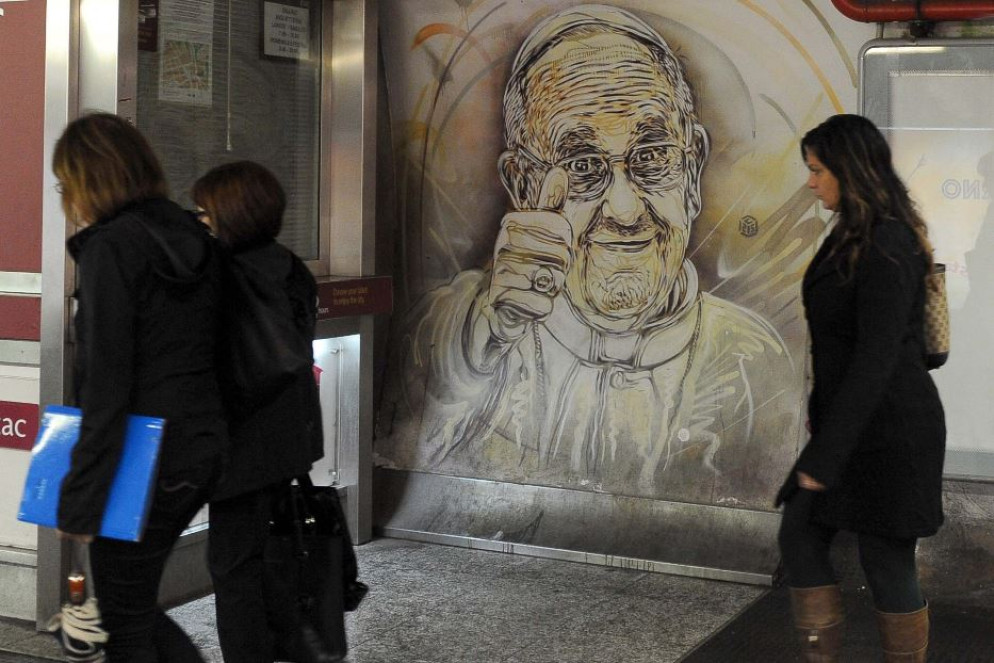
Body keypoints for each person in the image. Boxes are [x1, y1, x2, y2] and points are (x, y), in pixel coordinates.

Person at [380, 5, 794, 507]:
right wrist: (490, 326)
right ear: (523, 185)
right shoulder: (474, 330)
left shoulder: (752, 360)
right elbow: (428, 383)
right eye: (581, 165)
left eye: (652, 156)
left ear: (692, 170)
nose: (625, 209)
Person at [54, 112, 227, 662]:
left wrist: (81, 499)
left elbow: (106, 385)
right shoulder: (192, 235)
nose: (66, 199)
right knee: (131, 606)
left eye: (65, 185)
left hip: (143, 457)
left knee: (124, 619)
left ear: (90, 180)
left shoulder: (112, 249)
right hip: (199, 446)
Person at [775, 114, 945, 662]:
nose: (810, 182)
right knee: (800, 533)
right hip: (854, 427)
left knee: (886, 560)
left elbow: (876, 360)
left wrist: (824, 456)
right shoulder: (852, 233)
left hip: (892, 432)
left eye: (817, 170)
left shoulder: (887, 242)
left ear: (849, 171)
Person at [191, 161, 329, 663]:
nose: (199, 221)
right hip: (289, 436)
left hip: (242, 444)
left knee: (234, 570)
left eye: (205, 212)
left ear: (230, 213)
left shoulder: (222, 273)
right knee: (268, 559)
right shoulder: (290, 266)